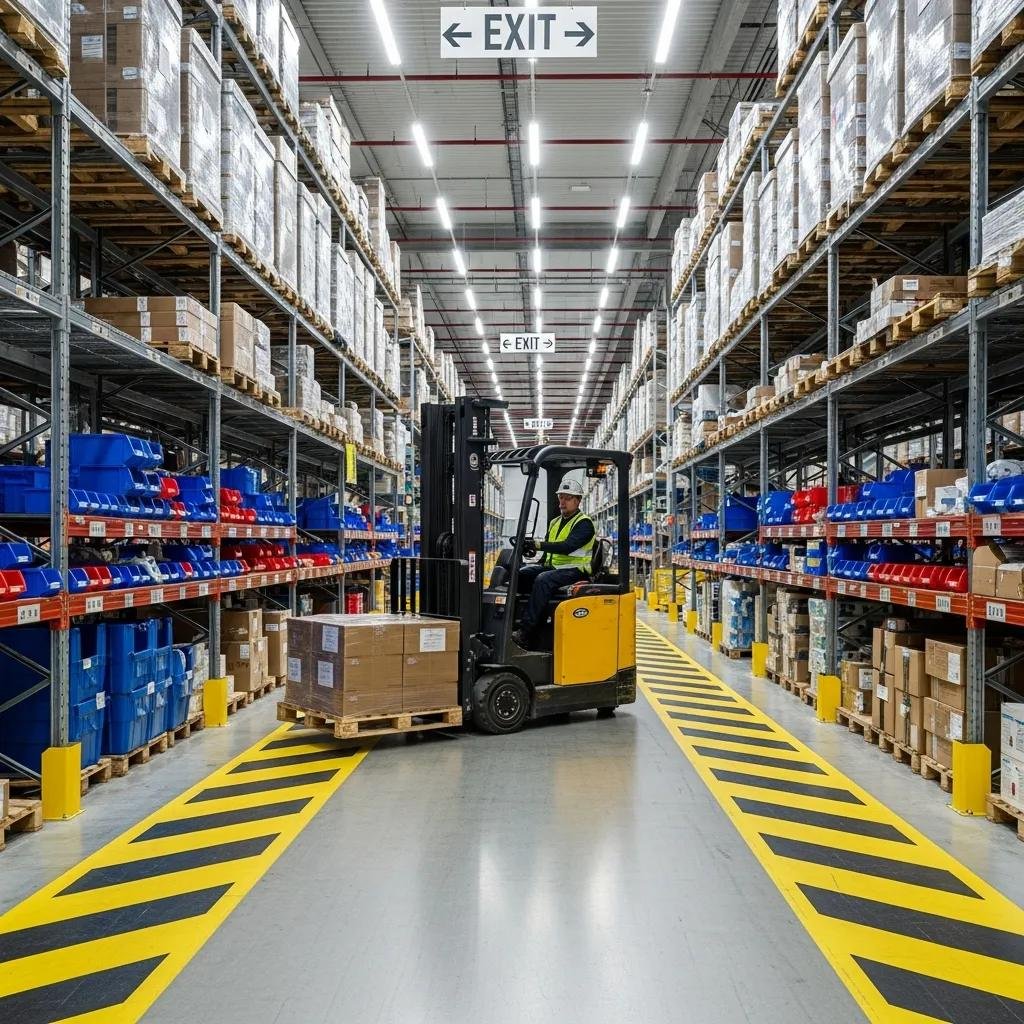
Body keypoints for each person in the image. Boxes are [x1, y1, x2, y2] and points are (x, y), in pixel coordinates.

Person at [512, 477, 595, 649]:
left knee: (543, 579)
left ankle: (526, 632)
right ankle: (514, 621)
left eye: (567, 497)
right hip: (555, 568)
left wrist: (538, 544)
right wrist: (534, 559)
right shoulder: (555, 522)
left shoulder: (584, 524)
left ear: (578, 500)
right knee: (519, 574)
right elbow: (549, 552)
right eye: (561, 497)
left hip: (576, 570)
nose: (562, 502)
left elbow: (567, 547)